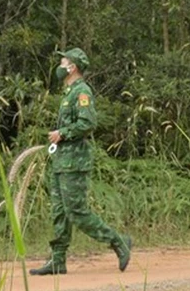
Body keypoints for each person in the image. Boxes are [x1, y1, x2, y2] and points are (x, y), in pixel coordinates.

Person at [30, 48, 132, 275]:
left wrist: (63, 133)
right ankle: (57, 260)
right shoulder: (69, 92)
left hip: (74, 162)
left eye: (63, 60)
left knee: (76, 210)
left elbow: (88, 123)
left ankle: (118, 241)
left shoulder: (82, 92)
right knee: (59, 211)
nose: (59, 63)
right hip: (61, 161)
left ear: (72, 67)